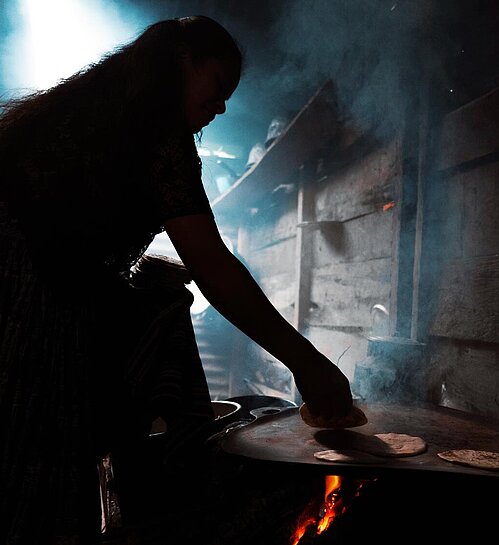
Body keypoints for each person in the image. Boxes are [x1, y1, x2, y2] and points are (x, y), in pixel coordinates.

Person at [0, 15, 353, 544]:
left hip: (33, 281)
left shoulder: (108, 109)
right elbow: (213, 264)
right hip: (25, 298)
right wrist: (305, 360)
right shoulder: (155, 126)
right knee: (32, 456)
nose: (221, 106)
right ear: (182, 60)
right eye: (218, 86)